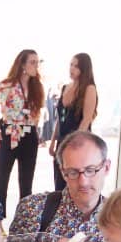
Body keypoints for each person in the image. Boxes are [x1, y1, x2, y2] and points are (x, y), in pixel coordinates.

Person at [9, 131, 110, 242]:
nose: (83, 182)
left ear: (107, 167)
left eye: (90, 170)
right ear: (63, 173)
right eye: (73, 172)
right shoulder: (33, 208)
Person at [0, 50, 44, 213]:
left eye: (38, 62)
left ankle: (24, 220)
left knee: (26, 182)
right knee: (1, 179)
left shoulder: (37, 86)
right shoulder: (7, 85)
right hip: (9, 134)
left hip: (29, 136)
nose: (36, 66)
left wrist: (36, 132)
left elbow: (37, 112)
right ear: (22, 64)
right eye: (33, 62)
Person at [49, 53, 98, 191]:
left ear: (84, 68)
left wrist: (74, 143)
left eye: (76, 66)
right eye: (71, 65)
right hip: (62, 140)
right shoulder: (66, 87)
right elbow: (60, 118)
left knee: (75, 183)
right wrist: (53, 141)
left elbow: (86, 119)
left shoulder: (89, 88)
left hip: (79, 142)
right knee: (59, 182)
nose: (72, 69)